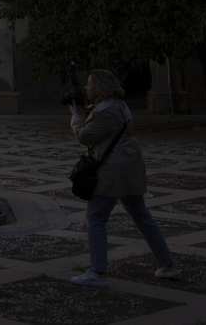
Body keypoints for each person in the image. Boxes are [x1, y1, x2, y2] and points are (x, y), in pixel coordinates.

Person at [70, 68, 182, 288]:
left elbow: (84, 136)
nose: (86, 87)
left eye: (90, 83)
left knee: (95, 218)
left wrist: (75, 115)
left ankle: (97, 272)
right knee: (142, 216)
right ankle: (168, 264)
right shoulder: (120, 106)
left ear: (100, 87)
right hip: (130, 167)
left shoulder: (105, 112)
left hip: (113, 171)